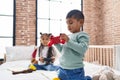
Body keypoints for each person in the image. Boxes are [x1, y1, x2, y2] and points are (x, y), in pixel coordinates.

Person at [54, 9, 92, 80]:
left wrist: (68, 41)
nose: (68, 26)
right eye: (67, 24)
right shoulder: (69, 36)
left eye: (71, 23)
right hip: (62, 68)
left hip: (75, 70)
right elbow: (62, 51)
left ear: (81, 22)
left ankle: (87, 78)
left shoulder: (82, 35)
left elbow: (82, 49)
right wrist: (56, 44)